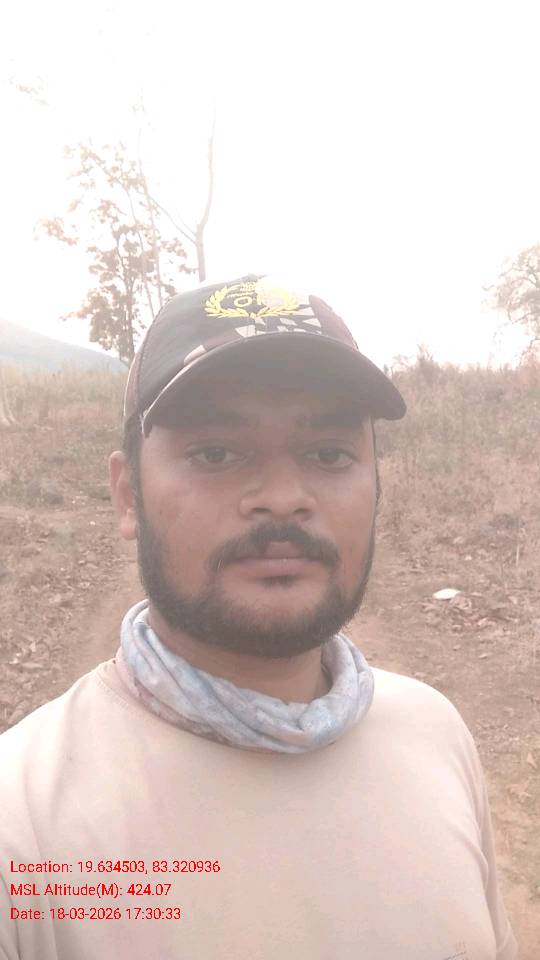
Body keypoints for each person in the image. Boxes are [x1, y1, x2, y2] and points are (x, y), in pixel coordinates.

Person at [0, 275, 517, 959]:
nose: (282, 497)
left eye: (328, 454)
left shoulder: (435, 734)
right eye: (215, 453)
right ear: (128, 496)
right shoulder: (24, 826)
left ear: (376, 484)